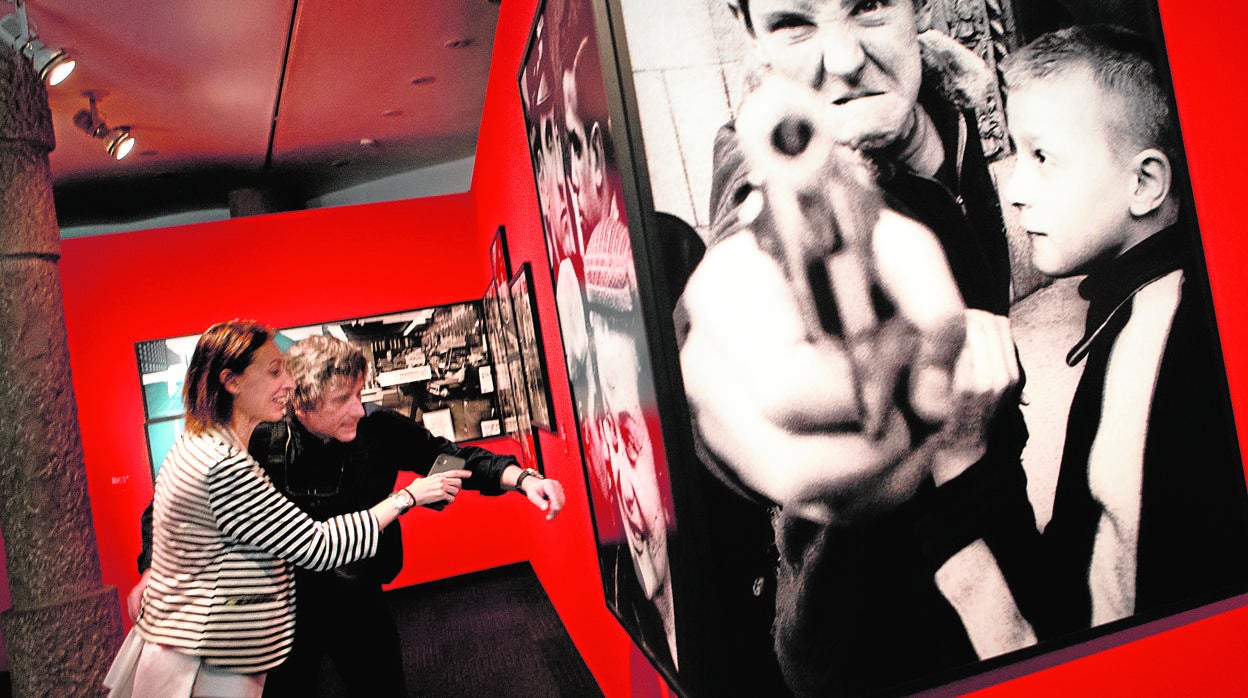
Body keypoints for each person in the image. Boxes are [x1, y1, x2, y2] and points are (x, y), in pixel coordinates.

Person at [676, 0, 1042, 694]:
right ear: (746, 33)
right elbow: (747, 244)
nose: (842, 60)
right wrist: (729, 411)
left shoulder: (948, 106)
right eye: (794, 23)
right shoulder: (769, 156)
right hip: (876, 627)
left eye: (869, 5)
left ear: (922, 5)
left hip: (998, 501)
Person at [128, 334, 566, 697]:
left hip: (359, 593)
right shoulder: (258, 439)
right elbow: (168, 510)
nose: (359, 408)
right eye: (343, 399)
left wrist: (524, 480)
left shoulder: (378, 429)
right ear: (301, 402)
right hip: (283, 601)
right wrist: (152, 570)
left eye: (359, 393)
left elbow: (447, 457)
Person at [1000, 24, 1248, 635]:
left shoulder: (1178, 337)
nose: (1016, 191)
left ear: (1144, 184)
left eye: (1042, 157)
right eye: (1013, 151)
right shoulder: (1128, 303)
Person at [106, 320, 445, 698]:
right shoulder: (223, 462)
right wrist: (406, 498)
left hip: (220, 639)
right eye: (274, 371)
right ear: (232, 381)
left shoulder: (203, 443)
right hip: (221, 645)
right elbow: (319, 546)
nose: (287, 383)